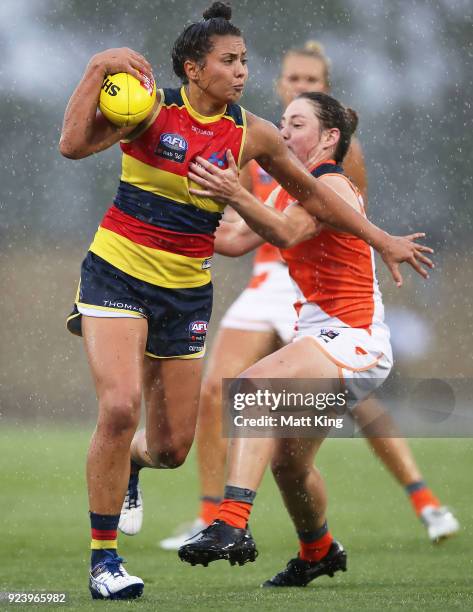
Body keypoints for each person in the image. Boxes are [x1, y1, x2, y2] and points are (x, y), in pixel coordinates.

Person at [59, 2, 431, 600]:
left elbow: (312, 195)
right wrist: (97, 68)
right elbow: (72, 146)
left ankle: (141, 466)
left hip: (185, 293)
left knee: (172, 448)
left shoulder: (251, 133)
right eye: (229, 61)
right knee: (123, 405)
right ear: (192, 67)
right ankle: (106, 559)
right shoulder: (147, 109)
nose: (241, 71)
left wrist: (380, 235)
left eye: (244, 61)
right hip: (117, 275)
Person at [154, 41, 457, 551]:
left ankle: (229, 523)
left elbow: (289, 233)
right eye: (284, 118)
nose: (283, 130)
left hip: (354, 342)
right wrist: (170, 209)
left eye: (297, 123)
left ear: (330, 135)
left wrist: (235, 193)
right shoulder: (283, 188)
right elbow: (230, 240)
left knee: (249, 390)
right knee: (288, 464)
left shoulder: (331, 181)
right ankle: (318, 551)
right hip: (322, 333)